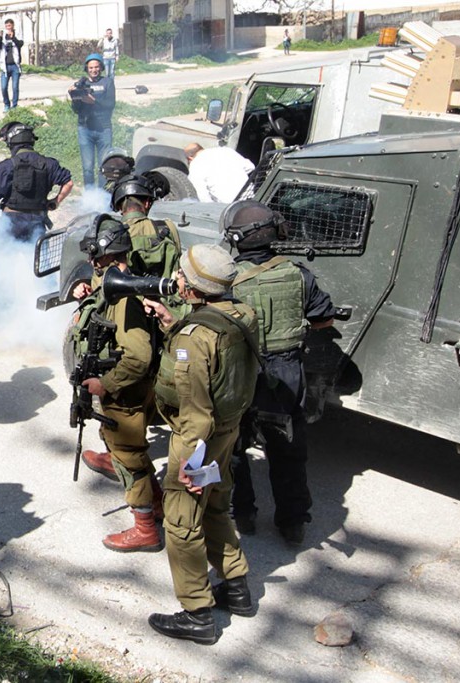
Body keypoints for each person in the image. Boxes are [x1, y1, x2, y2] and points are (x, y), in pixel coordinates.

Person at [143, 244, 260, 645]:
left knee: (181, 523)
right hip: (228, 431)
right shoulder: (241, 315)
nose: (176, 280)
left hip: (197, 439)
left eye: (182, 276)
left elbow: (195, 410)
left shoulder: (193, 338)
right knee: (216, 505)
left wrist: (191, 466)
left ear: (193, 289)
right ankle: (236, 586)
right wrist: (172, 324)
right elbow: (218, 362)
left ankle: (197, 613)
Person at [223, 200, 335, 545]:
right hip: (285, 372)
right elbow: (323, 319)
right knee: (287, 448)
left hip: (239, 370)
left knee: (234, 445)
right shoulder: (299, 274)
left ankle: (243, 514)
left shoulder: (226, 277)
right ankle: (292, 522)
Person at [72, 215, 163, 552]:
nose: (91, 263)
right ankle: (157, 502)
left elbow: (138, 356)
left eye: (95, 257)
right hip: (128, 388)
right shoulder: (120, 280)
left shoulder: (125, 299)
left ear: (109, 255)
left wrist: (106, 384)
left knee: (128, 455)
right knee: (127, 448)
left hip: (127, 391)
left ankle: (145, 528)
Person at [0, 122, 73, 244]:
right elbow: (68, 183)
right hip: (37, 222)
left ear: (11, 143)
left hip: (11, 224)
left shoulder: (6, 166)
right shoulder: (49, 164)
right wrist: (56, 201)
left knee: (1, 259)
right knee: (39, 260)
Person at [70, 53, 115, 188]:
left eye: (96, 67)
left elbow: (110, 104)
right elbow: (76, 109)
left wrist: (94, 101)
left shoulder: (108, 82)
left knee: (103, 167)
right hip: (85, 129)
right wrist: (75, 97)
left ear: (101, 67)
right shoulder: (82, 84)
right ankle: (90, 197)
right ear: (86, 69)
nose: (93, 70)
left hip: (104, 129)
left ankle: (102, 196)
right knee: (88, 167)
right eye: (90, 68)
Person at [184, 142, 255, 203]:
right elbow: (251, 167)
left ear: (190, 158)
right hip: (249, 195)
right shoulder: (227, 150)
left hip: (229, 205)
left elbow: (202, 195)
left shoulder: (195, 165)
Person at [0, 18, 22, 111]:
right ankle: (6, 105)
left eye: (9, 26)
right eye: (6, 26)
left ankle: (14, 106)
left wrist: (13, 37)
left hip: (15, 66)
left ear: (13, 26)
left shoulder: (17, 34)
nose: (8, 28)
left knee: (15, 87)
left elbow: (20, 44)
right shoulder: (3, 37)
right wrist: (0, 36)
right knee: (3, 87)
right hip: (5, 66)